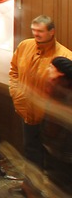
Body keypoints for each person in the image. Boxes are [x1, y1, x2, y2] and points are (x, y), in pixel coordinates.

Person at [11, 15, 72, 164]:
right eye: (34, 30)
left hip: (50, 116)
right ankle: (31, 186)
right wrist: (16, 94)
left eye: (40, 31)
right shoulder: (25, 46)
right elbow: (14, 71)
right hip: (26, 109)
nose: (36, 34)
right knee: (30, 150)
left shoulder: (64, 56)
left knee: (52, 157)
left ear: (52, 32)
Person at [43, 56, 72, 184]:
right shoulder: (60, 88)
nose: (47, 69)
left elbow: (54, 125)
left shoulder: (60, 91)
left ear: (60, 73)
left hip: (63, 151)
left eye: (51, 67)